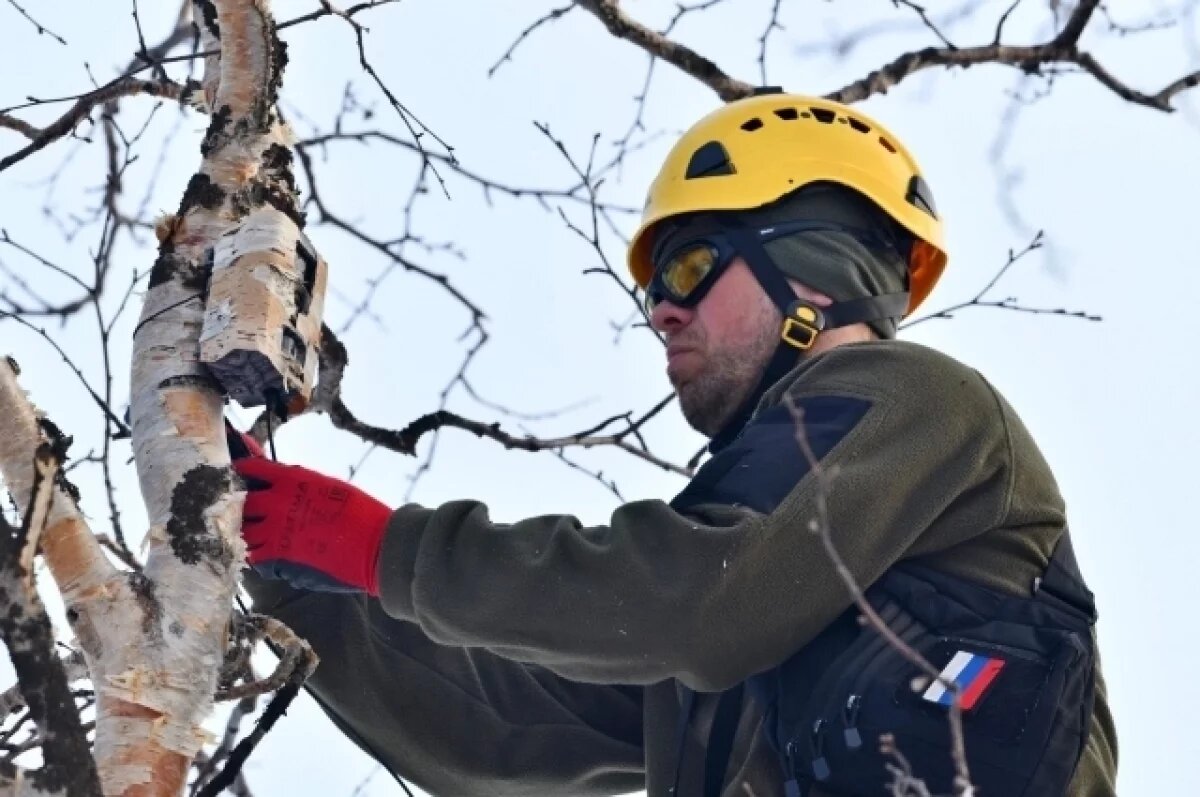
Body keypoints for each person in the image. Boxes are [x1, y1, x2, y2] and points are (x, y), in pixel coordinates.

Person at [235, 89, 1118, 796]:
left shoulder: (914, 398)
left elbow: (698, 592)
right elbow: (495, 727)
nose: (662, 310)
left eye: (690, 267)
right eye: (654, 289)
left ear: (814, 269)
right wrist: (291, 565)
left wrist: (386, 547)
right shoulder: (742, 619)